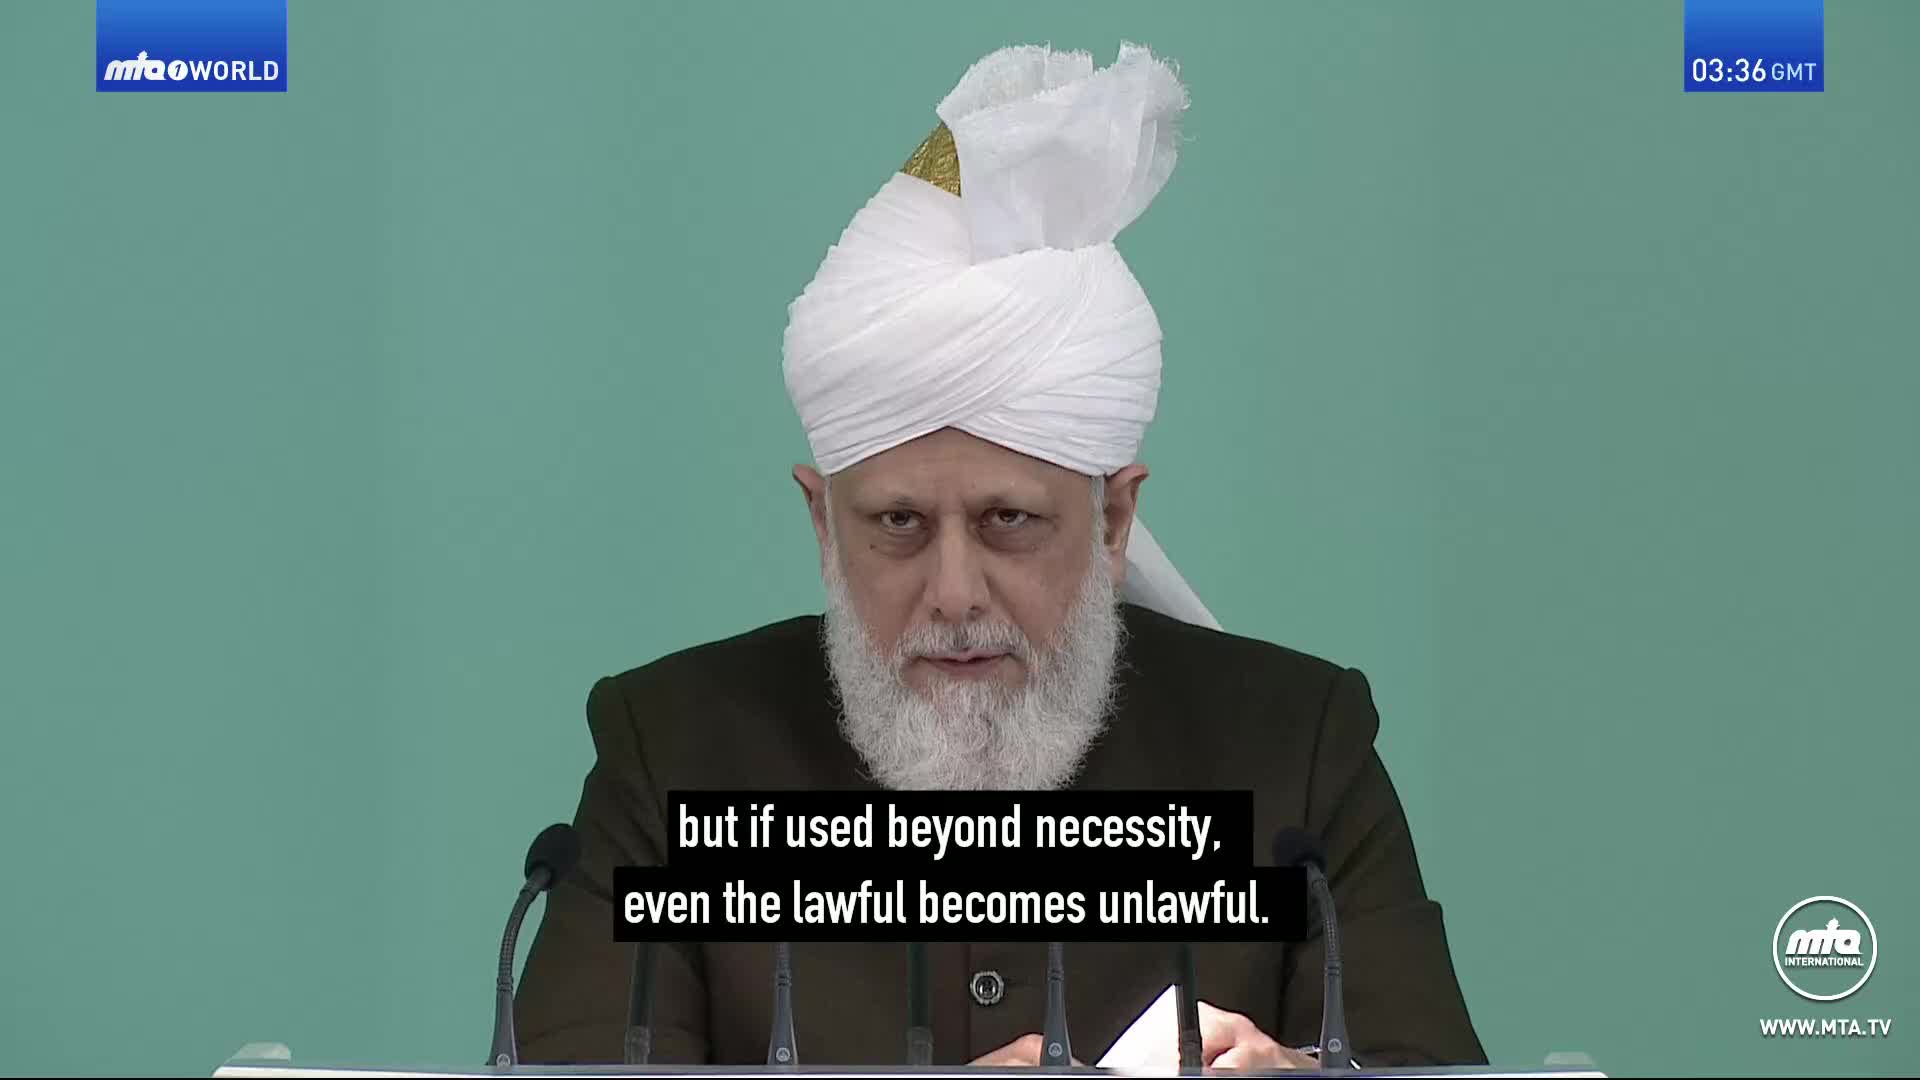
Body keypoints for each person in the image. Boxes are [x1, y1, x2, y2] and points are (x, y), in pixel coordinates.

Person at [515, 42, 1485, 1069]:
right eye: (895, 525)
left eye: (1007, 522)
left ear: (1113, 522)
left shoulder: (1297, 755)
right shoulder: (674, 753)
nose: (952, 593)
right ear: (821, 524)